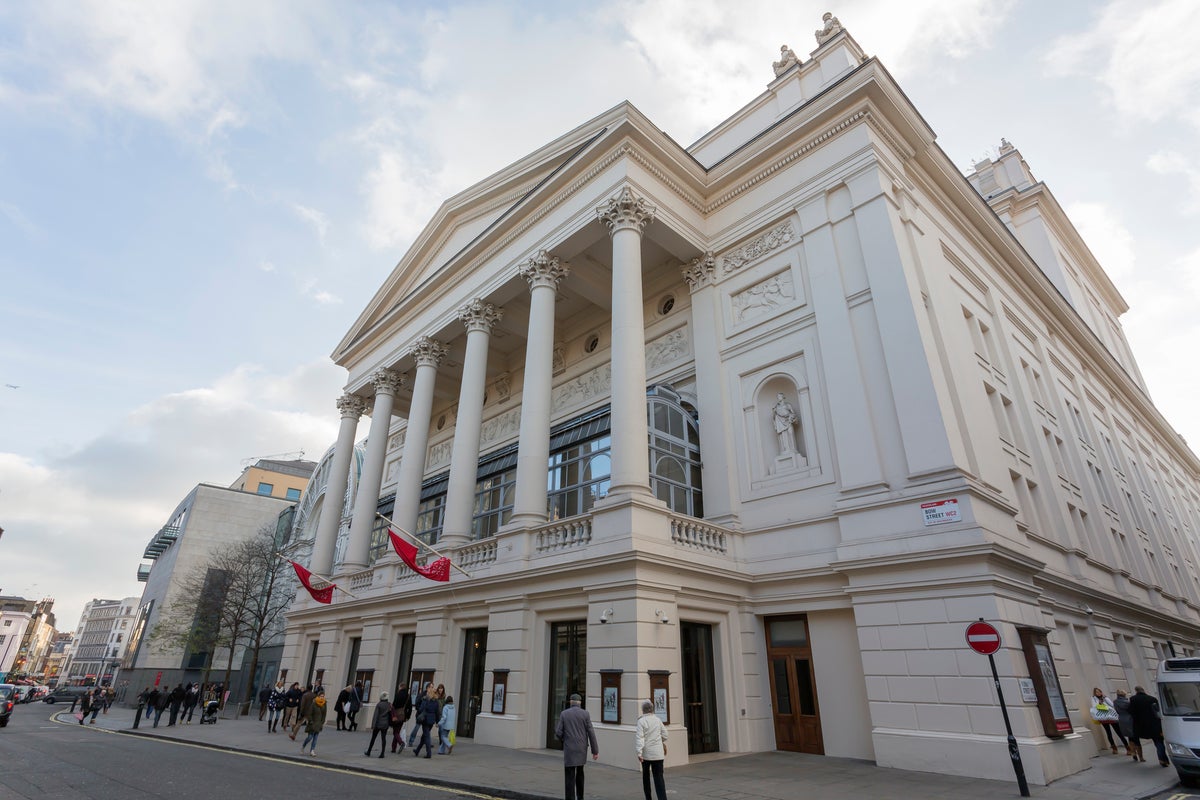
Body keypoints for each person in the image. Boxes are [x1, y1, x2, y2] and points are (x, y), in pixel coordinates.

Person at [555, 693, 599, 800]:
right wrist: (595, 751)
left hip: (569, 749)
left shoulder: (564, 714)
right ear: (580, 703)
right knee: (580, 773)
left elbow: (558, 732)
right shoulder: (585, 714)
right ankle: (580, 797)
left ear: (570, 702)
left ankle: (570, 797)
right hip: (581, 749)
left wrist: (563, 739)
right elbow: (591, 733)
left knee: (569, 775)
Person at [634, 700, 668, 800]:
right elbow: (665, 734)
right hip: (658, 754)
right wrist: (659, 740)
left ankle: (648, 797)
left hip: (646, 754)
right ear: (652, 709)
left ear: (643, 710)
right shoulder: (658, 720)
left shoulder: (641, 721)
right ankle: (662, 798)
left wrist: (639, 753)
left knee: (646, 777)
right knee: (659, 778)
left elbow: (640, 738)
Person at [1128, 685, 1169, 767]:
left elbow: (1131, 712)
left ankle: (1139, 756)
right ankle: (1162, 759)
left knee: (1136, 740)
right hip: (1155, 724)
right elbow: (1158, 711)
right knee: (1159, 742)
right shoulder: (1152, 699)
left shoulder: (1133, 699)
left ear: (1136, 691)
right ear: (1144, 690)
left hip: (1141, 725)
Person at [1091, 687, 1128, 755]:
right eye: (1096, 692)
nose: (1098, 693)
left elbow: (1112, 705)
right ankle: (1114, 748)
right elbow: (1094, 706)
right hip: (1102, 717)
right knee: (1108, 733)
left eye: (1099, 691)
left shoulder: (1105, 697)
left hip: (1111, 716)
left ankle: (1127, 747)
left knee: (1118, 732)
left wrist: (1105, 699)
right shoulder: (1094, 698)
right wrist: (1099, 703)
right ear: (1094, 693)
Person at [413, 684, 439, 758]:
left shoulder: (426, 699)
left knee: (426, 736)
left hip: (425, 720)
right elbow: (437, 712)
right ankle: (417, 750)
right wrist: (437, 721)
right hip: (432, 721)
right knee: (424, 736)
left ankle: (429, 753)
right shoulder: (436, 702)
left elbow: (421, 709)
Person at [365, 691, 393, 758]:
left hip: (378, 724)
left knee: (373, 738)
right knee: (383, 738)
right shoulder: (389, 705)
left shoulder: (379, 704)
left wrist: (373, 725)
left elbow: (376, 715)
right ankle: (382, 753)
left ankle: (369, 751)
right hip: (385, 724)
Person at [300, 687, 327, 757]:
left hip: (318, 724)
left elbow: (324, 714)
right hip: (312, 723)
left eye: (323, 696)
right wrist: (311, 721)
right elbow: (310, 713)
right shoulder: (314, 703)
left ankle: (312, 751)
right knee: (310, 737)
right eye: (321, 696)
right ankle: (303, 746)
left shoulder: (324, 704)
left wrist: (322, 722)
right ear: (318, 696)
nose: (322, 698)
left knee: (315, 738)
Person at [391, 685, 412, 753]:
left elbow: (394, 705)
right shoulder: (408, 696)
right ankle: (393, 748)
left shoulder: (398, 694)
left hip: (396, 715)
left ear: (400, 687)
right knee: (397, 731)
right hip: (403, 716)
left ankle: (401, 742)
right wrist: (407, 717)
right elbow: (410, 707)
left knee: (395, 732)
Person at [1115, 689, 1135, 758]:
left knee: (1129, 736)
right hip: (1130, 718)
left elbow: (1117, 711)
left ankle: (1132, 751)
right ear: (1124, 695)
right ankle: (1137, 753)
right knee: (1134, 735)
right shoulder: (1127, 702)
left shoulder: (1115, 702)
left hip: (1121, 719)